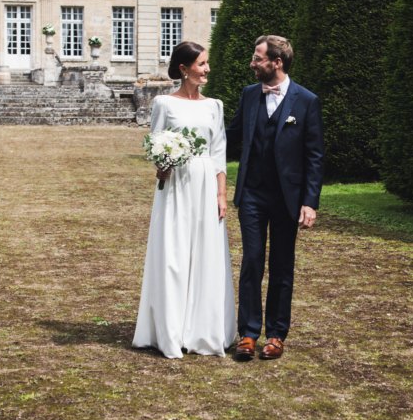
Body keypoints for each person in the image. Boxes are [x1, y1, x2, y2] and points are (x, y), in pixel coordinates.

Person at [133, 41, 236, 358]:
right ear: (183, 69)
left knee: (205, 253)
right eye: (202, 64)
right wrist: (162, 164)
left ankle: (203, 329)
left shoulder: (214, 106)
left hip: (205, 183)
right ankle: (170, 328)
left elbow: (218, 152)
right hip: (176, 186)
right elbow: (155, 143)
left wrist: (221, 195)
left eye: (207, 63)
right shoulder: (164, 104)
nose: (207, 69)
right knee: (173, 254)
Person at [227, 35, 324, 361]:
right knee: (252, 262)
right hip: (252, 194)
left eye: (258, 58)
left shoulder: (306, 101)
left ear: (276, 63)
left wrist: (310, 202)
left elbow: (314, 156)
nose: (252, 64)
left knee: (282, 265)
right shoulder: (250, 95)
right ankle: (249, 333)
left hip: (288, 198)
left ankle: (277, 334)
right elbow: (229, 137)